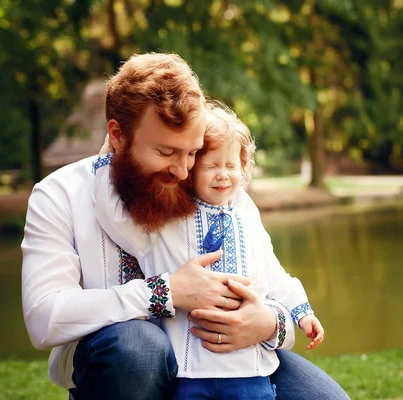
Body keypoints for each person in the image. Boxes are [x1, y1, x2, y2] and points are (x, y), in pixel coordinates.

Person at [21, 52, 349, 400]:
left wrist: (270, 322)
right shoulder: (59, 195)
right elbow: (44, 318)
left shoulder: (213, 191)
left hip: (225, 360)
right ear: (117, 135)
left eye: (192, 152)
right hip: (124, 371)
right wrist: (166, 292)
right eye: (165, 152)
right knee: (139, 346)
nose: (182, 171)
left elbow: (265, 272)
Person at [94, 101, 325, 399]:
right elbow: (114, 217)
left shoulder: (246, 216)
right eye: (212, 165)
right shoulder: (167, 219)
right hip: (191, 370)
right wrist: (109, 156)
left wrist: (302, 311)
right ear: (190, 170)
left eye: (231, 165)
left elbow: (273, 272)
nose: (223, 175)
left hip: (249, 370)